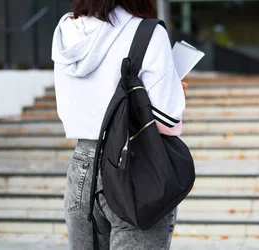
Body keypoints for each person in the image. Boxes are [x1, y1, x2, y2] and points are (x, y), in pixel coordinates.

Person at [51, 0, 187, 249]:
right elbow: (166, 120)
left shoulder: (67, 33)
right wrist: (174, 86)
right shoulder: (147, 32)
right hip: (135, 167)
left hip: (82, 167)